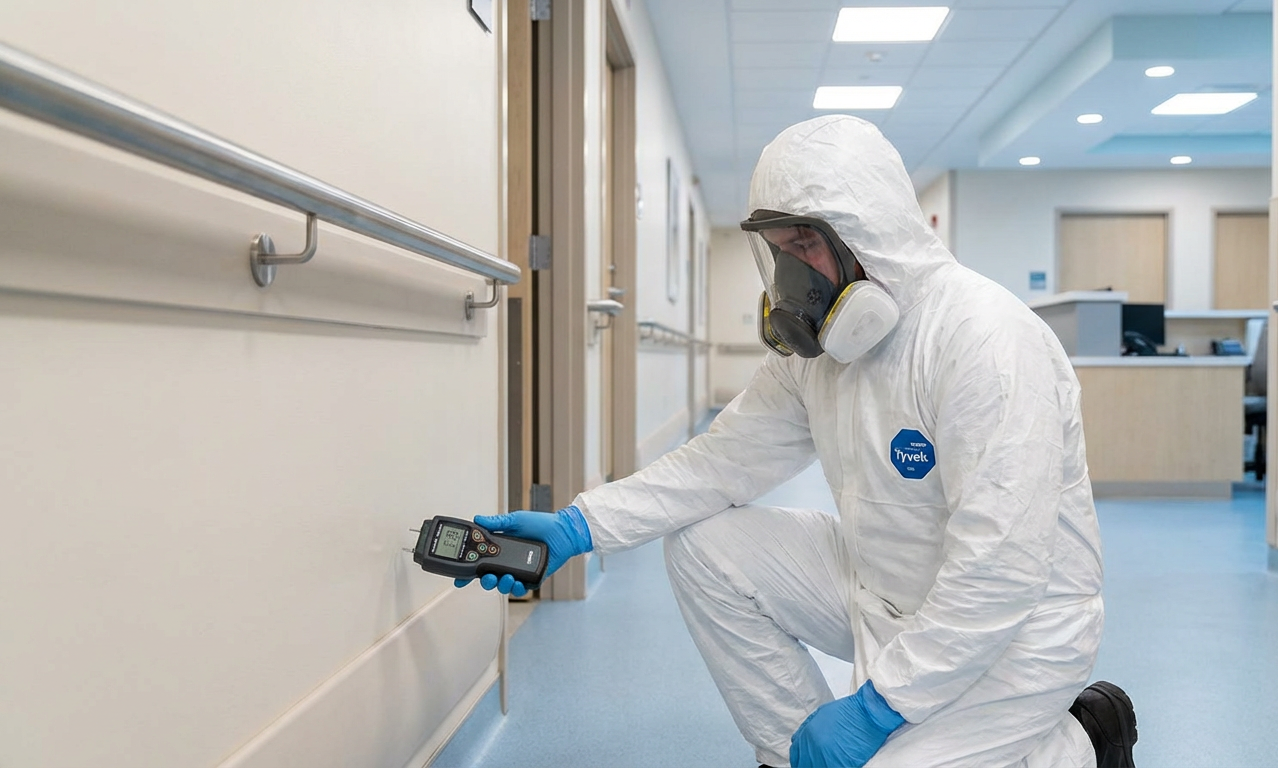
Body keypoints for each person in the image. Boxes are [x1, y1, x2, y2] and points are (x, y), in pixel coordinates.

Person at [458, 115, 1138, 768]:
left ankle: (1083, 738)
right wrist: (578, 527)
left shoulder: (984, 340)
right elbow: (721, 462)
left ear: (870, 232)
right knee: (704, 544)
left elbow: (1001, 569)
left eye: (806, 245)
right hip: (883, 588)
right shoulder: (819, 353)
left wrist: (878, 708)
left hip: (1016, 634)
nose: (792, 276)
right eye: (779, 251)